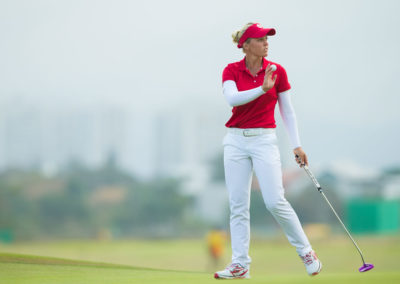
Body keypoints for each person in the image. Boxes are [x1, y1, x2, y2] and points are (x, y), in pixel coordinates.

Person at [214, 23, 322, 279]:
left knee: (274, 200)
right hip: (235, 141)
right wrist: (261, 89)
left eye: (267, 39)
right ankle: (240, 264)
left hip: (264, 140)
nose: (266, 43)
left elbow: (287, 110)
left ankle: (307, 252)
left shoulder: (277, 71)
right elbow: (232, 98)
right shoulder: (231, 70)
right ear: (247, 45)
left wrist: (296, 144)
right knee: (238, 205)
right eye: (261, 39)